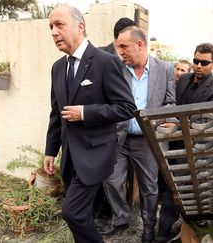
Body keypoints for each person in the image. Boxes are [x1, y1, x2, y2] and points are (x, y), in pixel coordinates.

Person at [44, 5, 136, 242]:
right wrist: (50, 151)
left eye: (60, 25)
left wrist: (85, 112)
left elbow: (126, 108)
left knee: (71, 212)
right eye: (51, 26)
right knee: (82, 213)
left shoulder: (105, 62)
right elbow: (57, 113)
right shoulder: (57, 68)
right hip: (70, 159)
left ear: (80, 26)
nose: (54, 32)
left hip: (95, 156)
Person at [101, 26, 175, 243]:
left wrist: (163, 122)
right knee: (111, 179)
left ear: (140, 45)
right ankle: (121, 219)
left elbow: (170, 102)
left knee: (149, 188)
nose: (120, 52)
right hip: (119, 138)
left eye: (123, 47)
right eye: (118, 47)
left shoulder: (165, 69)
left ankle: (148, 227)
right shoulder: (117, 67)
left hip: (148, 141)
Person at [156, 43, 213, 243]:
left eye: (204, 62)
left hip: (197, 152)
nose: (198, 65)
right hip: (172, 145)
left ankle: (163, 235)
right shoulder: (183, 79)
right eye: (196, 61)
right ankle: (168, 230)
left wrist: (175, 121)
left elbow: (203, 124)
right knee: (167, 189)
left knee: (176, 195)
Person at [94, 17, 136, 223]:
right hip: (109, 129)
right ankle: (105, 211)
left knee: (127, 177)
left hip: (135, 130)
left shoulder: (135, 55)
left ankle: (124, 214)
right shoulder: (99, 55)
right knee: (107, 175)